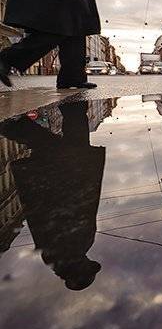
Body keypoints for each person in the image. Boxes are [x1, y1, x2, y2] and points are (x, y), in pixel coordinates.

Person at [0, 101, 105, 290]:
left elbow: (71, 212)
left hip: (62, 181)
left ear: (79, 270)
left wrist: (80, 179)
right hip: (66, 180)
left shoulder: (67, 252)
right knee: (73, 141)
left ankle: (12, 125)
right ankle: (73, 107)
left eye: (87, 267)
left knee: (58, 145)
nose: (88, 262)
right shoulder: (60, 255)